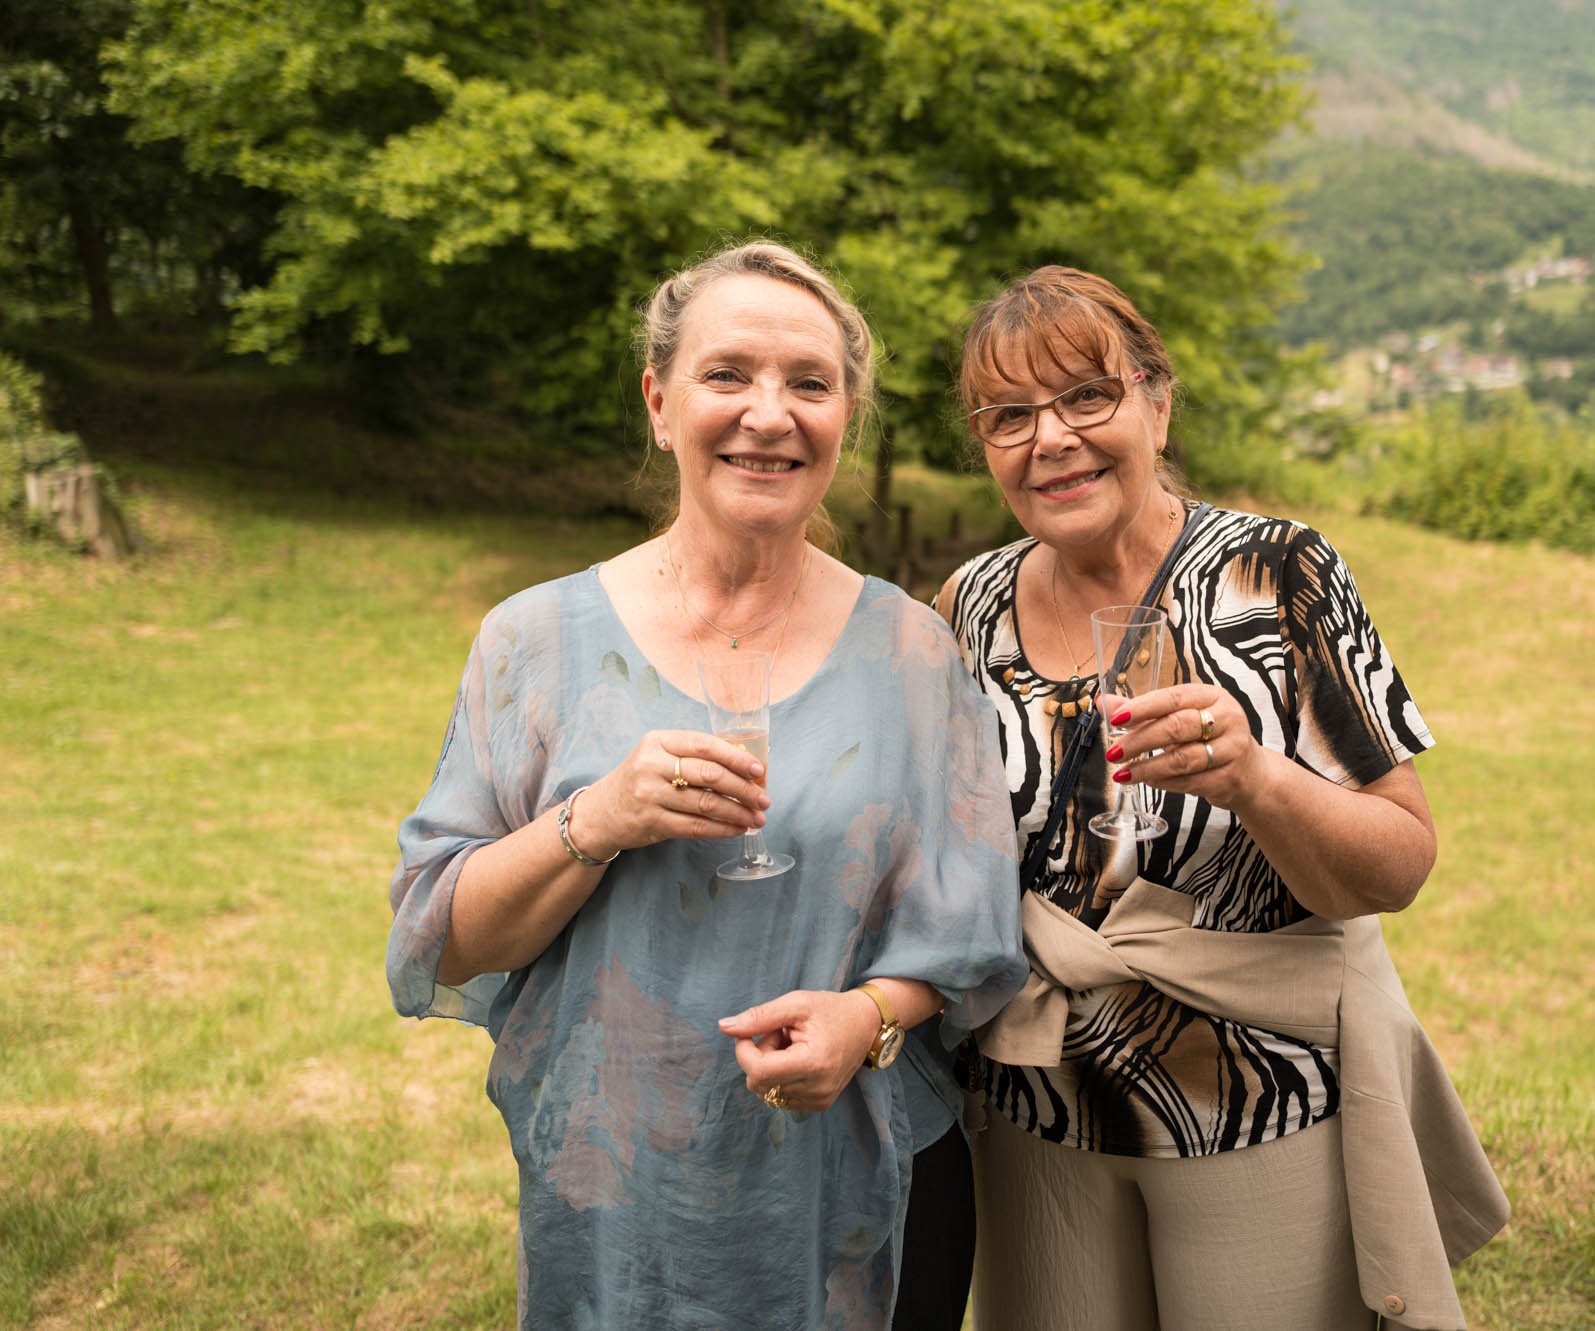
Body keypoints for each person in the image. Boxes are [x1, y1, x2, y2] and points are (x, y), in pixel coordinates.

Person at [386, 241, 1027, 1330]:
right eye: (727, 373)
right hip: (616, 1195)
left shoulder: (913, 654)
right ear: (658, 402)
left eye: (809, 383)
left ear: (845, 420)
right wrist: (592, 821)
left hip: (860, 1185)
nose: (768, 415)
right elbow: (444, 939)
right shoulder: (533, 641)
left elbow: (972, 935)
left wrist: (866, 1016)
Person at [935, 266, 1509, 1331]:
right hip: (1032, 1111)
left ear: (1157, 397)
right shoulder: (968, 604)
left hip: (1250, 1103)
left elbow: (1399, 860)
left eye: (1085, 397)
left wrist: (1256, 776)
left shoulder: (1273, 573)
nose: (1047, 438)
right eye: (1007, 415)